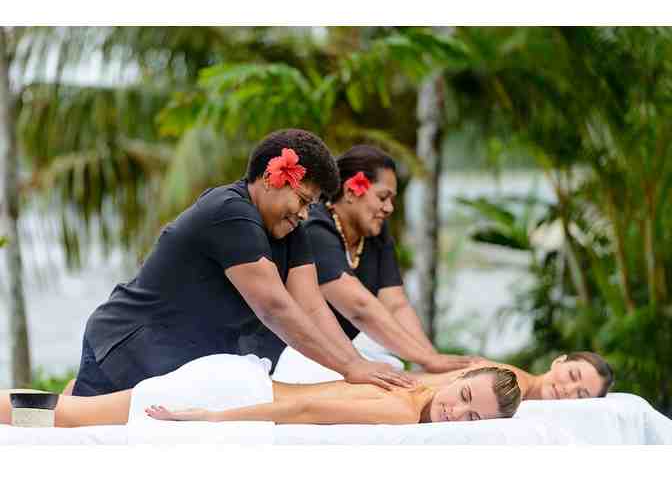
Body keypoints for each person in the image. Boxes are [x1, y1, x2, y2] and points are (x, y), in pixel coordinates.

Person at [71, 129, 414, 397]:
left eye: (311, 205)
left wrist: (357, 364)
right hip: (128, 350)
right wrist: (349, 367)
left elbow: (311, 307)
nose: (304, 213)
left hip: (176, 368)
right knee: (79, 435)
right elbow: (274, 307)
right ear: (270, 178)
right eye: (302, 200)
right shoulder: (229, 211)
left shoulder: (292, 230)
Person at [243, 144, 480, 375]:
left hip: (340, 356)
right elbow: (358, 307)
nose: (389, 208)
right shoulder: (313, 228)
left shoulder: (376, 234)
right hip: (291, 356)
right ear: (350, 191)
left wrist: (432, 360)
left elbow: (396, 304)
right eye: (383, 197)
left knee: (398, 371)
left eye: (392, 200)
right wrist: (428, 360)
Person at [0, 354, 521, 427]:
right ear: (457, 381)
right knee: (72, 417)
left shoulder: (407, 382)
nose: (457, 414)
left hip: (240, 379)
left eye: (474, 419)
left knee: (78, 407)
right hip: (231, 394)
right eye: (464, 399)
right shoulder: (403, 413)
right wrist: (210, 418)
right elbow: (305, 406)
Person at [417, 351, 615, 400]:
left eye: (580, 394)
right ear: (558, 361)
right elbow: (419, 386)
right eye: (572, 375)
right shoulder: (511, 384)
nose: (568, 389)